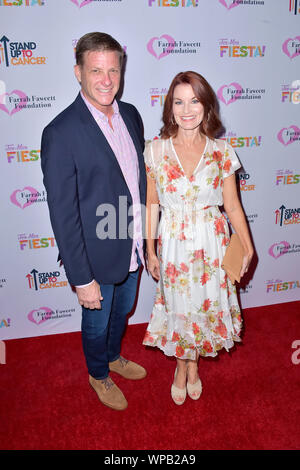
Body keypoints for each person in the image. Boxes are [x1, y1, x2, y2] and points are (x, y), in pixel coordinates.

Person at [41, 32, 147, 411]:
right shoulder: (60, 132)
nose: (106, 80)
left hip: (131, 242)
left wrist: (146, 240)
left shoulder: (131, 114)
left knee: (122, 313)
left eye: (113, 70)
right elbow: (63, 213)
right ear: (78, 72)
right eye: (96, 70)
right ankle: (99, 374)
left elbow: (138, 184)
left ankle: (115, 357)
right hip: (93, 256)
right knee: (97, 324)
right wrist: (81, 278)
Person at [143, 71, 253, 405]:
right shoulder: (156, 150)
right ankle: (183, 367)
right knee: (180, 308)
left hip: (212, 243)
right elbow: (151, 204)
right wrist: (150, 249)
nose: (187, 109)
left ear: (206, 107)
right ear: (170, 107)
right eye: (179, 101)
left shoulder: (221, 151)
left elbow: (232, 205)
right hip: (175, 242)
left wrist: (247, 246)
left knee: (204, 308)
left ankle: (193, 368)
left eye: (195, 101)